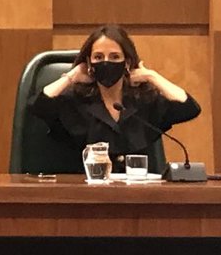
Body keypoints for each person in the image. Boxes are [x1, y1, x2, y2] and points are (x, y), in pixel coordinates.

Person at [28, 24, 200, 172]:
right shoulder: (75, 100)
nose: (106, 62)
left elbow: (189, 108)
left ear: (127, 62)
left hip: (137, 193)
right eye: (98, 57)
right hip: (85, 192)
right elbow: (37, 106)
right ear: (89, 62)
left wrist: (151, 76)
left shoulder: (144, 100)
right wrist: (71, 77)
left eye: (115, 57)